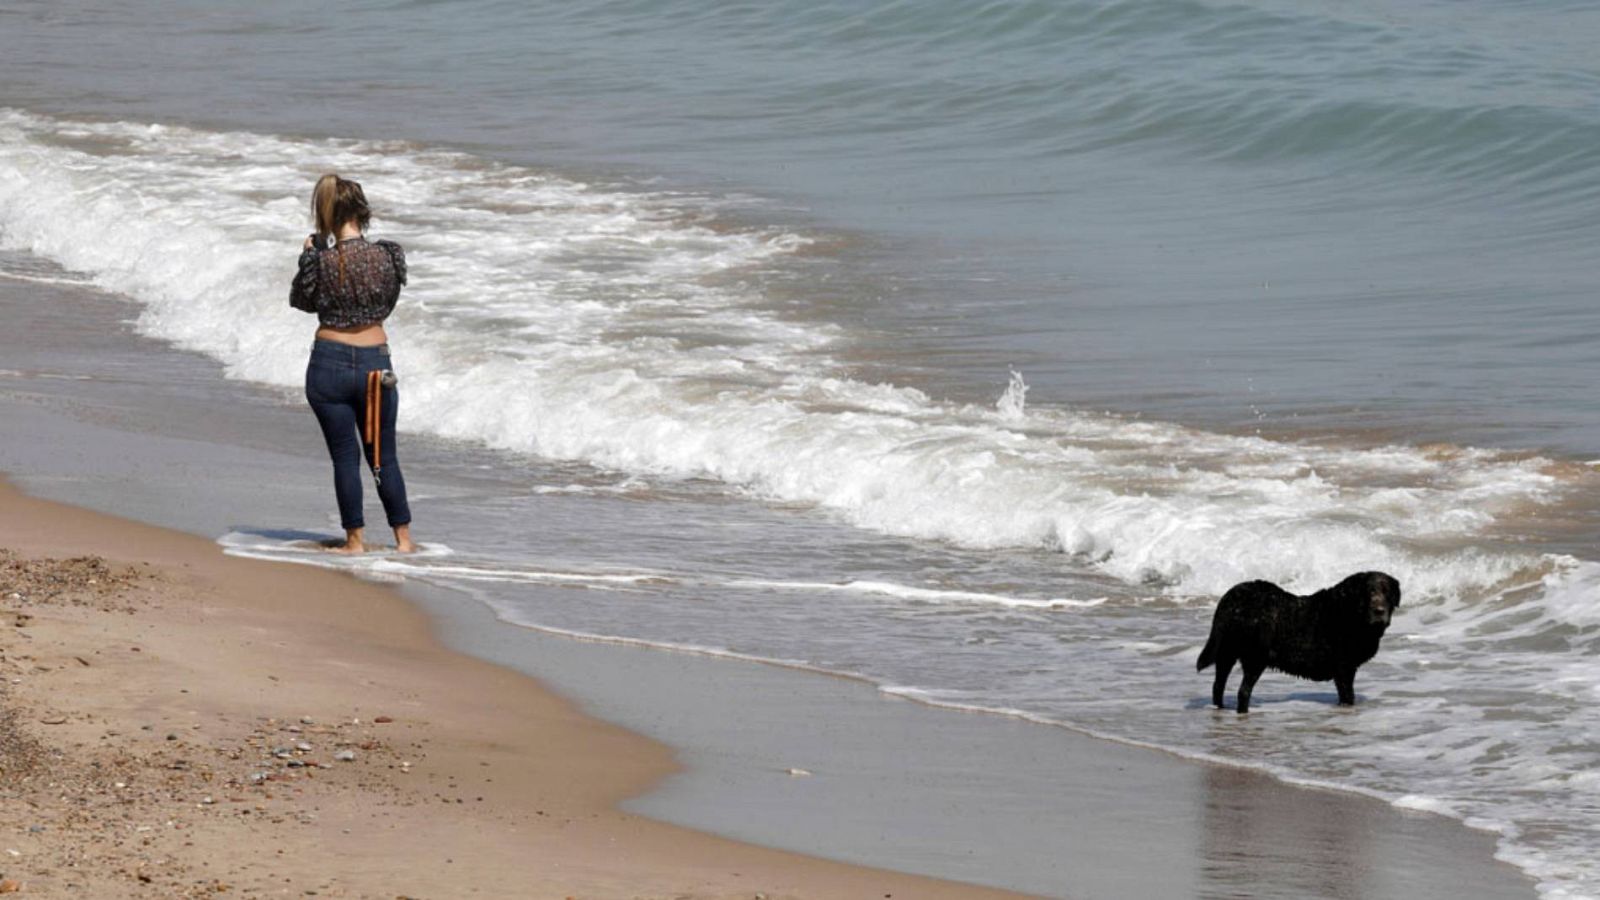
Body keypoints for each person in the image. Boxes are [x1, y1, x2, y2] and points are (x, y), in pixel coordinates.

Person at [289, 173, 416, 553]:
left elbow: (301, 301)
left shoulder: (321, 261)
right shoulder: (388, 255)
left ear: (327, 215)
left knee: (345, 457)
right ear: (363, 213)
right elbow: (387, 303)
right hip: (376, 364)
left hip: (328, 362)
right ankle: (403, 540)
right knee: (384, 456)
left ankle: (355, 541)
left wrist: (310, 255)